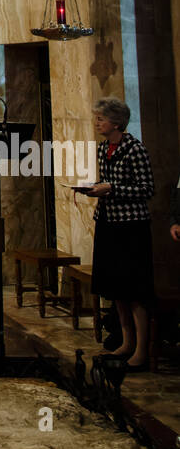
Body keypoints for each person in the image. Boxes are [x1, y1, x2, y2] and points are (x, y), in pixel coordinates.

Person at [82, 97, 155, 370]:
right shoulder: (104, 149)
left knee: (135, 288)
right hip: (109, 223)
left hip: (131, 227)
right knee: (116, 288)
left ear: (116, 122)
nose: (97, 122)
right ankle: (126, 342)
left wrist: (111, 188)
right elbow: (107, 183)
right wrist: (93, 188)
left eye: (101, 119)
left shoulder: (135, 149)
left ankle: (141, 350)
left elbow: (146, 188)